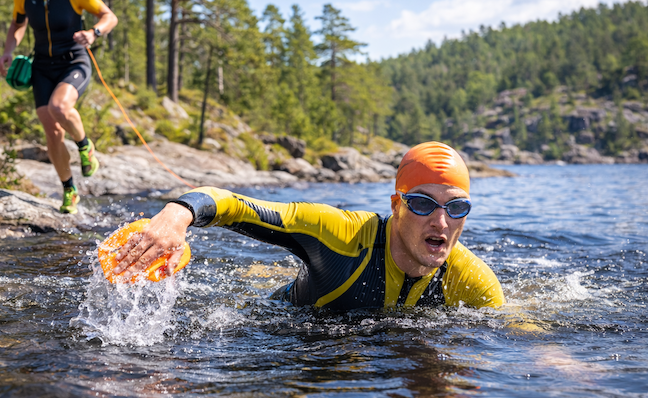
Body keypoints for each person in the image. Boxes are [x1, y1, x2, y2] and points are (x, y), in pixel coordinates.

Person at [111, 141, 505, 309]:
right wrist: (175, 216)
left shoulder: (469, 278)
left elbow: (518, 329)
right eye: (422, 203)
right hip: (287, 332)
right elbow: (232, 204)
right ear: (396, 205)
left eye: (457, 208)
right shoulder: (339, 235)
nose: (441, 221)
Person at [0, 0, 118, 214]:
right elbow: (17, 24)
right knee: (52, 133)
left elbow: (108, 15)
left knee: (60, 107)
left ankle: (85, 146)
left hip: (74, 61)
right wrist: (8, 51)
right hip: (41, 66)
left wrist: (93, 32)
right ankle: (69, 191)